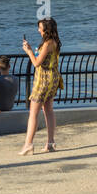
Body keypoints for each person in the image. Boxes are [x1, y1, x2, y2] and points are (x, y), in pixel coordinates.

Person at [20, 19, 62, 154]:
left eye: (40, 28)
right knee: (48, 110)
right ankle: (50, 142)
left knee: (33, 113)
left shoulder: (48, 43)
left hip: (43, 81)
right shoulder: (54, 42)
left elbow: (37, 63)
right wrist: (34, 50)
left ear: (46, 29)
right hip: (53, 79)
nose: (39, 30)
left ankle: (28, 144)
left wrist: (29, 52)